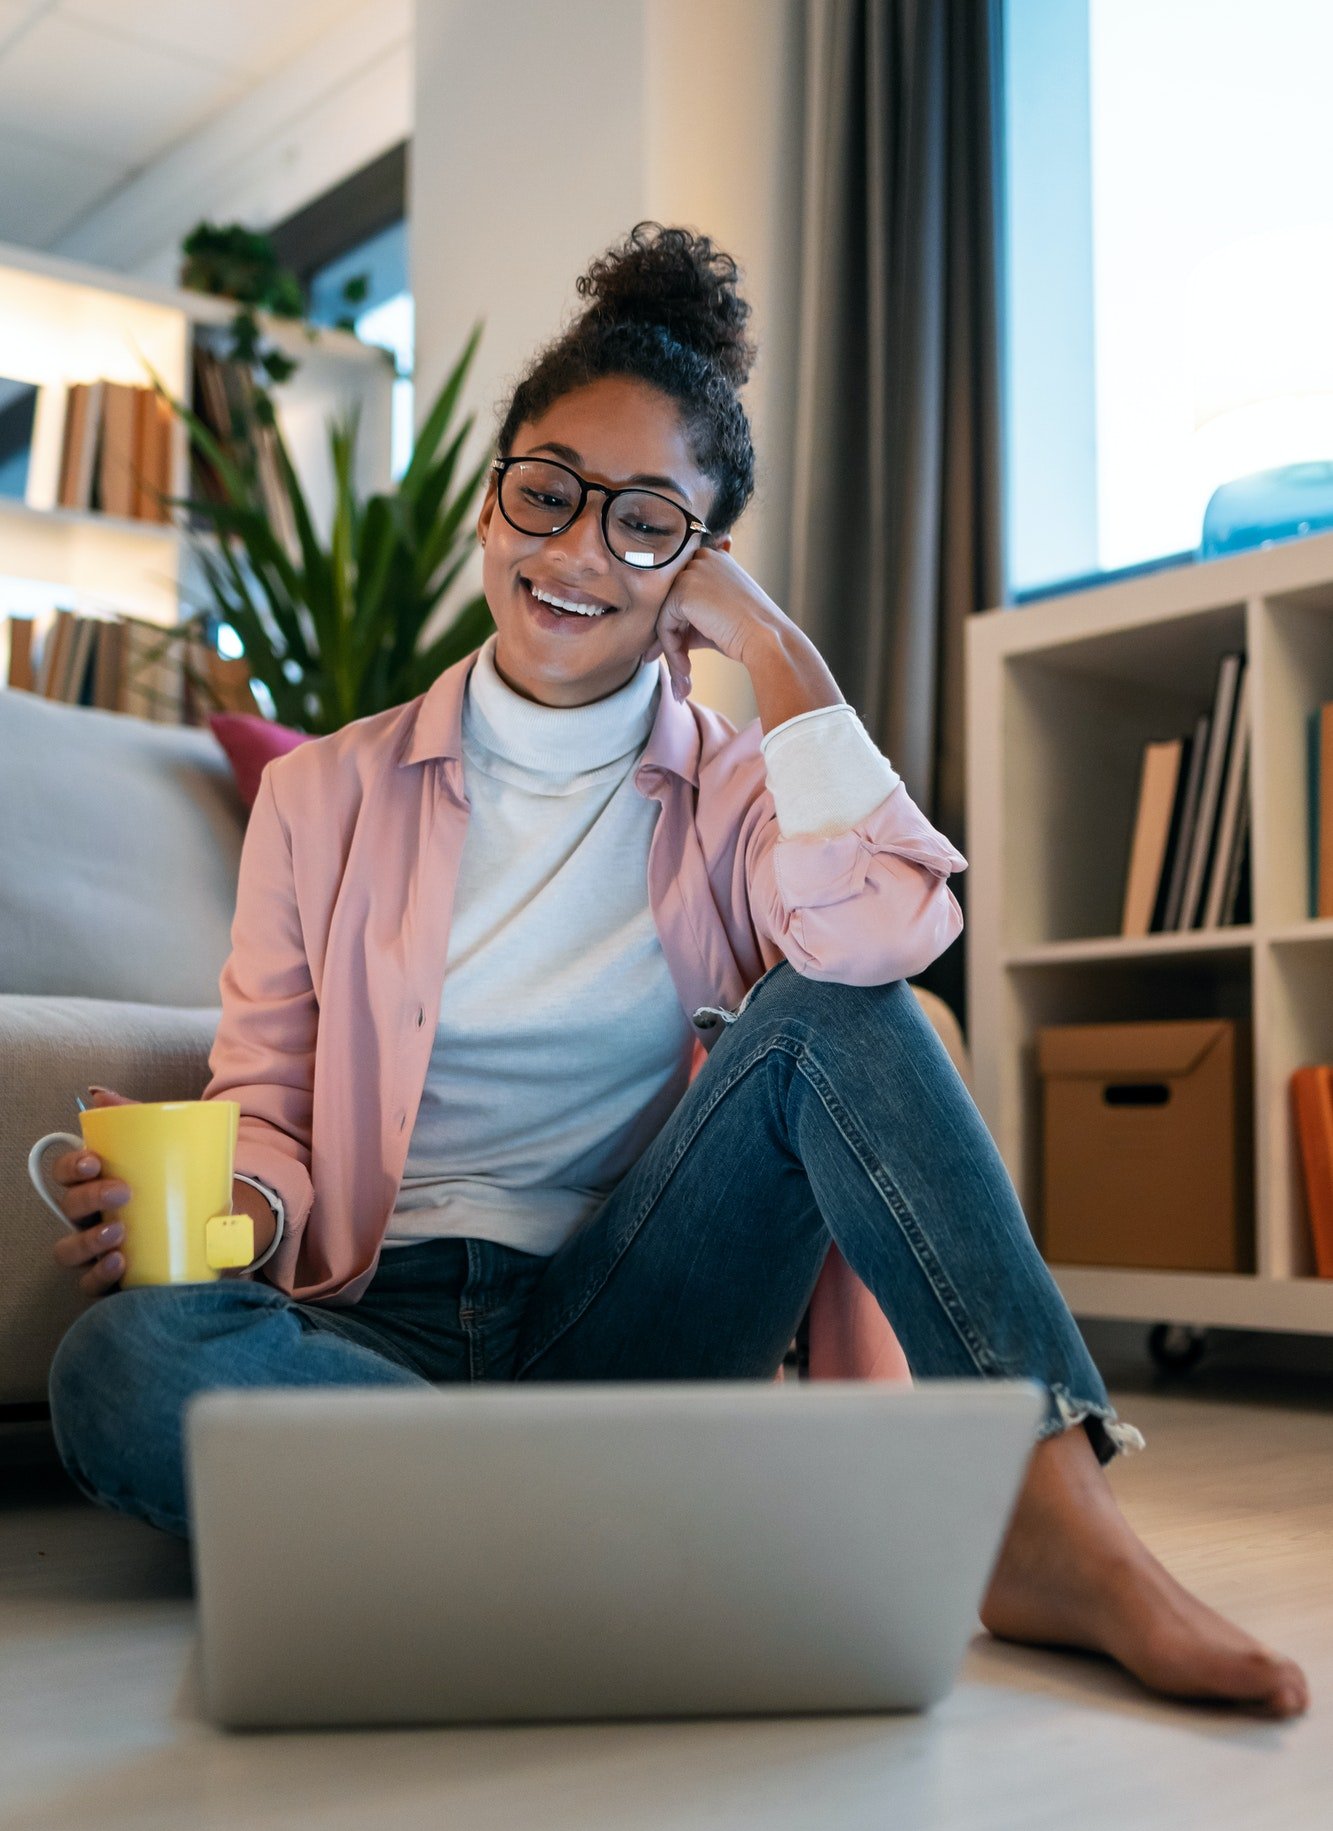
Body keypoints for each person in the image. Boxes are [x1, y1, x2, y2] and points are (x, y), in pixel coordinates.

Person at [45, 222, 1306, 1719]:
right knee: (121, 1363)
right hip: (362, 1321)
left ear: (696, 567)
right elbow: (267, 1097)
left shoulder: (740, 782)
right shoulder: (327, 793)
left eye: (644, 523)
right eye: (546, 493)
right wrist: (231, 1212)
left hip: (626, 1316)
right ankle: (599, 1531)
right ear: (490, 500)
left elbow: (884, 937)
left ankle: (1047, 1522)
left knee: (832, 999)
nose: (576, 551)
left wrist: (782, 658)